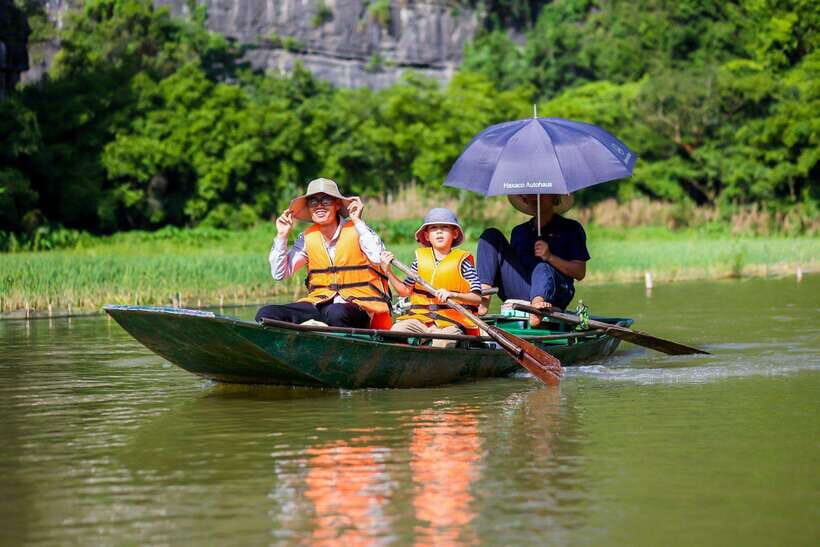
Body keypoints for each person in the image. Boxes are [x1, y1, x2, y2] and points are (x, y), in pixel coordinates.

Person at [255, 178, 392, 329]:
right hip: (319, 304)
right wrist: (282, 236)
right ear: (309, 208)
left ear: (337, 204)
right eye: (313, 202)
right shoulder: (307, 238)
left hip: (358, 308)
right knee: (266, 313)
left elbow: (378, 258)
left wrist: (358, 221)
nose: (319, 206)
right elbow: (279, 273)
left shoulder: (359, 230)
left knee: (336, 312)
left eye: (326, 200)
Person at [477, 194, 589, 326]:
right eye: (531, 194)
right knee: (490, 235)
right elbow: (513, 269)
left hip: (555, 293)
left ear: (555, 197)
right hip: (523, 289)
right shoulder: (519, 232)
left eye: (542, 193)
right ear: (524, 199)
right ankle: (483, 297)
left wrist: (550, 257)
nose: (536, 197)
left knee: (542, 266)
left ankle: (537, 307)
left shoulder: (571, 228)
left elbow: (580, 272)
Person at [380, 208, 482, 348]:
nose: (439, 232)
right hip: (420, 320)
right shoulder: (419, 261)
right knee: (395, 332)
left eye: (444, 227)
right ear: (427, 236)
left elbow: (477, 298)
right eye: (434, 228)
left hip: (450, 323)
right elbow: (405, 291)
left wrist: (452, 294)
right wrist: (388, 272)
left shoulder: (463, 262)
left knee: (442, 343)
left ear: (455, 233)